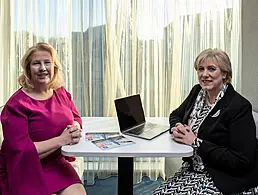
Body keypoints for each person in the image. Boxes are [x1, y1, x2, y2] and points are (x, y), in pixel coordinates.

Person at [153, 48, 258, 195]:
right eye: (200, 69)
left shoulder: (238, 106)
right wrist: (178, 126)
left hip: (224, 176)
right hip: (195, 168)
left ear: (224, 74)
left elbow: (241, 161)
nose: (204, 74)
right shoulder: (197, 92)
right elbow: (175, 115)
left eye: (211, 69)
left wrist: (195, 142)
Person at [0, 42, 87, 195]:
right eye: (36, 63)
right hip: (23, 168)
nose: (42, 68)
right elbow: (21, 151)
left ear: (54, 67)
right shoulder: (15, 105)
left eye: (47, 62)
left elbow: (75, 117)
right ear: (28, 69)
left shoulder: (60, 92)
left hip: (56, 162)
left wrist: (75, 127)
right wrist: (62, 140)